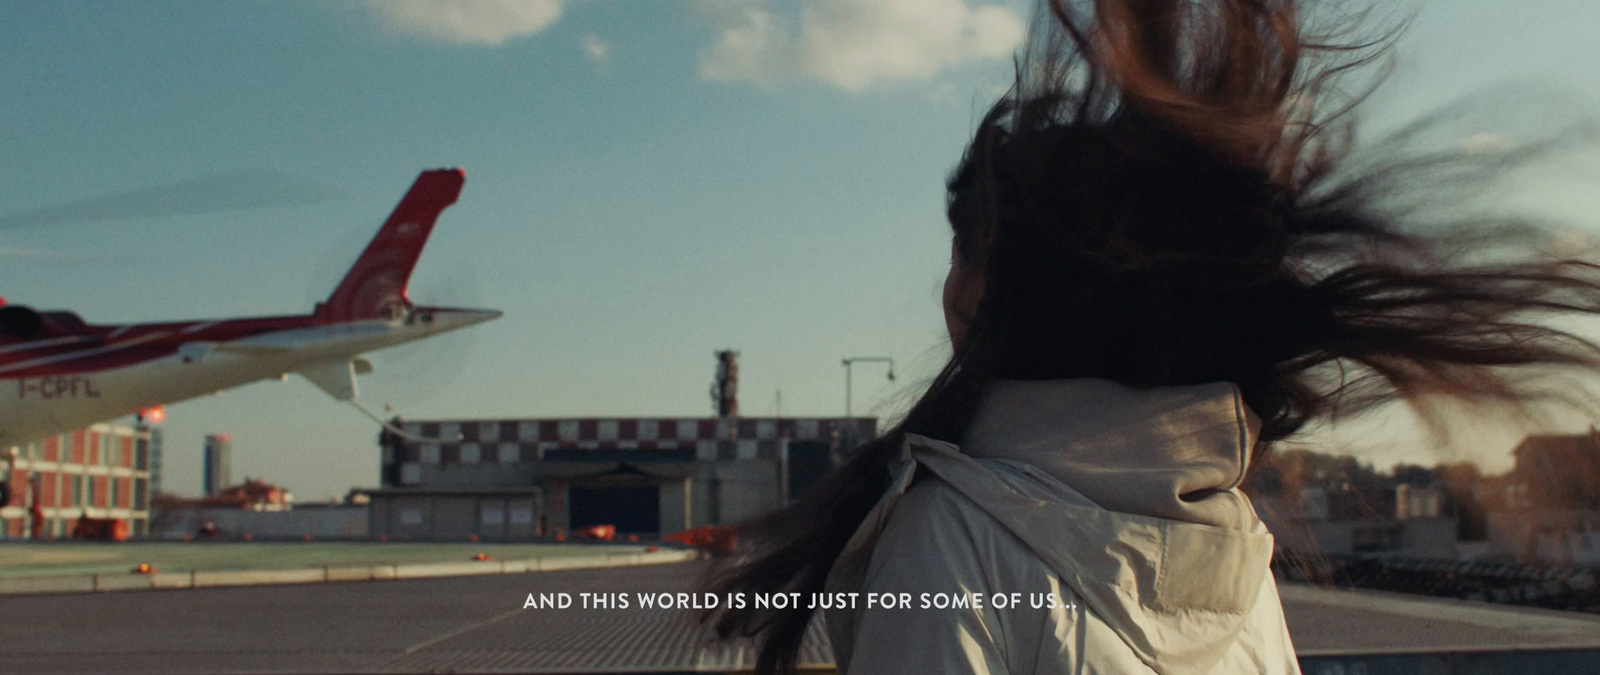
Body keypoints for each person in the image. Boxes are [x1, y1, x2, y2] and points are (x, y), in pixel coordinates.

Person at [710, 1, 1600, 673]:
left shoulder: (957, 538)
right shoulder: (1232, 544)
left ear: (1011, 300)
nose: (946, 295)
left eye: (965, 258)